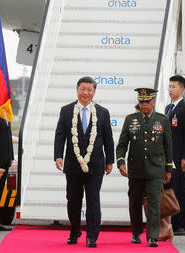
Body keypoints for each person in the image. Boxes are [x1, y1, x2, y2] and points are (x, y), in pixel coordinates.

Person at [54, 76, 114, 248]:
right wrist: (58, 156)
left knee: (93, 200)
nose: (86, 92)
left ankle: (92, 236)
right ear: (77, 90)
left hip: (96, 165)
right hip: (73, 165)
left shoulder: (103, 112)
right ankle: (74, 231)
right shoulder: (66, 110)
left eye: (89, 89)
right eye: (83, 89)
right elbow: (59, 136)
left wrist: (110, 160)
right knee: (73, 200)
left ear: (94, 91)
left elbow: (108, 139)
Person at [116, 88, 173, 247]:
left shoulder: (162, 120)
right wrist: (121, 162)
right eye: (141, 102)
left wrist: (168, 169)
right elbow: (121, 145)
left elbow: (168, 146)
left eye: (147, 102)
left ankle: (153, 236)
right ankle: (135, 233)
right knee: (134, 202)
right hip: (135, 170)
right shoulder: (130, 120)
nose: (144, 105)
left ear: (153, 102)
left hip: (155, 169)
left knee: (154, 202)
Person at [164, 75, 185, 236]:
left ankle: (184, 225)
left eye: (174, 86)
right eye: (169, 86)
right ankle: (174, 223)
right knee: (171, 191)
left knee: (182, 191)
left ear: (182, 89)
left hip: (180, 158)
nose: (170, 89)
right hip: (169, 159)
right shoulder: (168, 108)